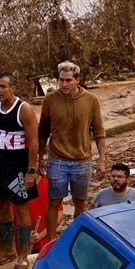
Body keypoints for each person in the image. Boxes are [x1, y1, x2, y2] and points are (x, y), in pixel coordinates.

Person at [37, 60, 106, 242]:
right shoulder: (50, 100)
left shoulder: (91, 100)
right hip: (57, 160)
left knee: (80, 203)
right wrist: (40, 158)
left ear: (77, 79)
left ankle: (78, 241)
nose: (64, 84)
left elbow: (99, 131)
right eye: (61, 80)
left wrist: (102, 160)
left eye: (68, 80)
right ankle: (51, 243)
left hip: (82, 160)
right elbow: (42, 131)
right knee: (53, 201)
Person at [0, 72, 39, 269]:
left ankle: (23, 254)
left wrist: (31, 170)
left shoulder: (24, 109)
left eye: (3, 86)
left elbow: (34, 143)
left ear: (13, 89)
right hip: (1, 165)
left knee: (21, 206)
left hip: (18, 167)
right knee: (1, 204)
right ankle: (6, 250)